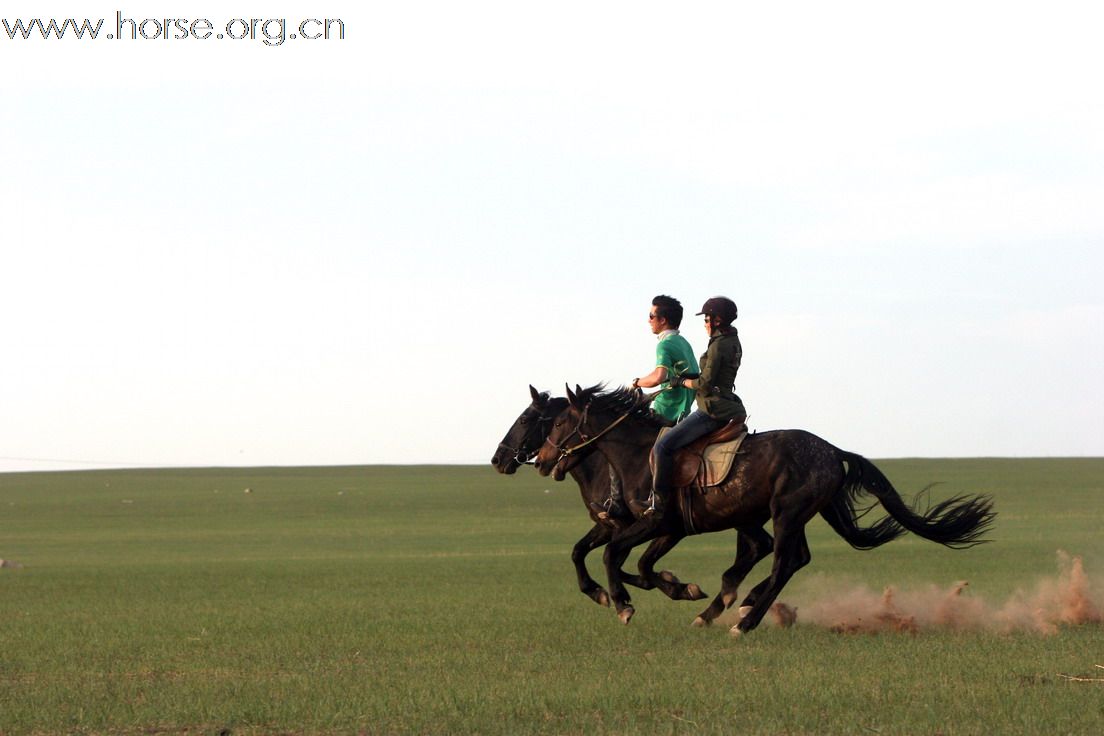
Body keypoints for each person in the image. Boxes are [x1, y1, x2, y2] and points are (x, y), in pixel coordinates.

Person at [636, 296, 747, 519]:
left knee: (662, 447)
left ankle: (659, 502)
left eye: (707, 319)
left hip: (711, 409)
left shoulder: (717, 346)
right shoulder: (732, 342)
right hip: (727, 404)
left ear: (717, 321)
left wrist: (681, 382)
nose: (705, 323)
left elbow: (704, 382)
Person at [593, 295, 699, 522]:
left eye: (651, 316)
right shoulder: (683, 343)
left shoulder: (665, 343)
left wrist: (637, 382)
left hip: (666, 410)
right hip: (683, 410)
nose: (648, 320)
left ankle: (616, 502)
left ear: (663, 319)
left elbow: (659, 376)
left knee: (616, 440)